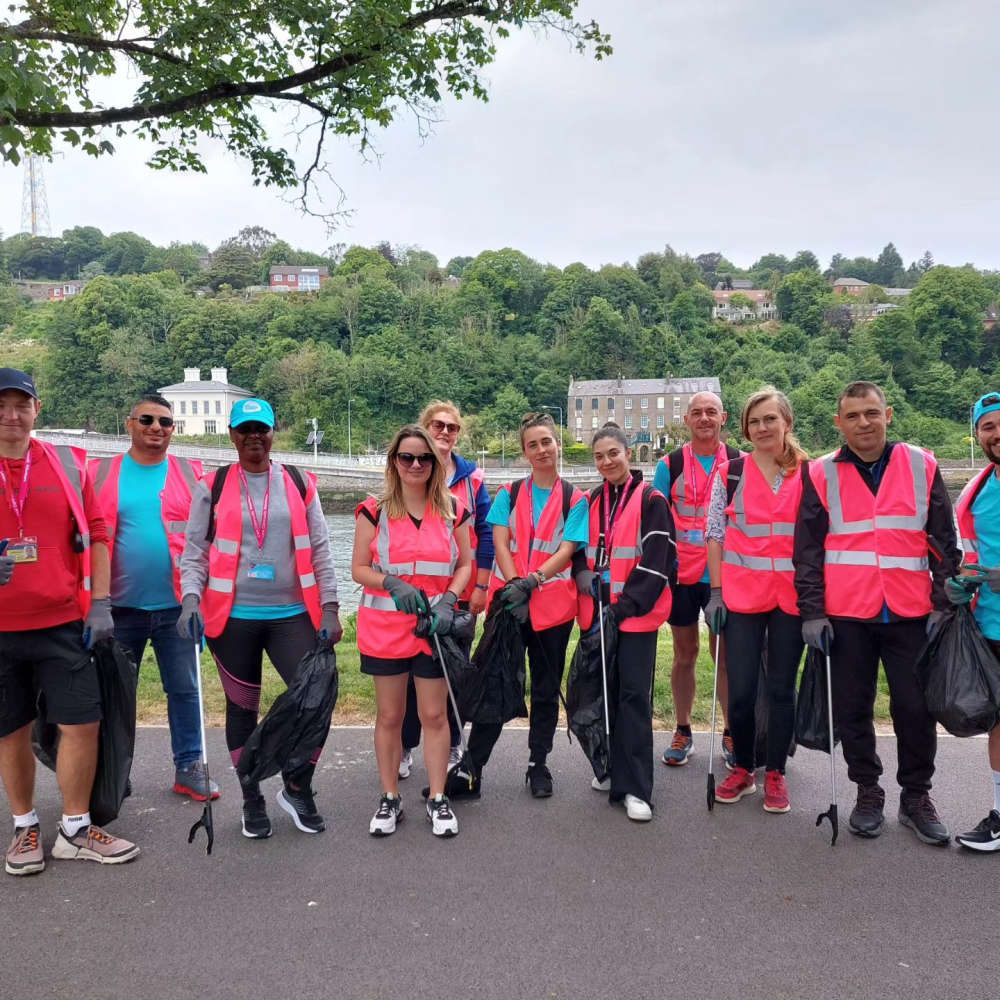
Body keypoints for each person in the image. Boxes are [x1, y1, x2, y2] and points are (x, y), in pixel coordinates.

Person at [794, 380, 960, 845]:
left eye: (871, 413)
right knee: (853, 708)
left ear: (887, 415)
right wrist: (812, 611)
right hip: (847, 614)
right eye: (853, 416)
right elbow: (807, 551)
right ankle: (868, 790)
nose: (863, 423)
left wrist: (944, 603)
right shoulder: (820, 473)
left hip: (911, 611)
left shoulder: (921, 464)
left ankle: (915, 796)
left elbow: (943, 543)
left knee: (914, 707)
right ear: (838, 422)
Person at [178, 398, 341, 840]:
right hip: (233, 617)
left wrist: (330, 607)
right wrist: (191, 599)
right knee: (242, 708)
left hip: (293, 613)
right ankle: (251, 796)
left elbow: (323, 550)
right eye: (245, 429)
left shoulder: (298, 481)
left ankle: (296, 785)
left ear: (273, 433)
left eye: (262, 429)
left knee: (317, 695)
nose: (254, 437)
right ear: (231, 434)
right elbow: (194, 553)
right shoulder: (212, 484)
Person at [0, 367, 139, 876]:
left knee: (83, 723)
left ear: (37, 410)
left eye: (21, 404)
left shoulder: (65, 463)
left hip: (63, 620)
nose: (12, 415)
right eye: (2, 405)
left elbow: (97, 533)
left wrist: (100, 602)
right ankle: (24, 827)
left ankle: (75, 831)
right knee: (10, 729)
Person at [451, 412, 588, 801]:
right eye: (533, 444)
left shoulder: (575, 499)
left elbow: (566, 550)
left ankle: (538, 764)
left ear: (557, 443)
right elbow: (500, 542)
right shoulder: (509, 494)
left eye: (547, 441)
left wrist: (533, 581)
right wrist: (515, 587)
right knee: (495, 683)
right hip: (510, 608)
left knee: (545, 690)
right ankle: (472, 769)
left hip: (554, 613)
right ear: (525, 451)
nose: (542, 449)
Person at [89, 393, 218, 802]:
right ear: (129, 424)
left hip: (176, 608)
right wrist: (95, 602)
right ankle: (114, 771)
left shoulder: (192, 472)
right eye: (147, 419)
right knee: (115, 694)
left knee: (184, 690)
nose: (156, 428)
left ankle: (189, 767)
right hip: (116, 609)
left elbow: (209, 538)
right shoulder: (100, 472)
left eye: (165, 422)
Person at [352, 424, 472, 837]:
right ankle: (390, 798)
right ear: (394, 462)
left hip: (432, 630)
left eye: (424, 457)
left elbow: (465, 565)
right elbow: (359, 568)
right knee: (389, 716)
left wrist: (450, 600)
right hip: (385, 628)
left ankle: (438, 798)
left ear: (435, 463)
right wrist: (391, 583)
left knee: (434, 715)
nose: (416, 464)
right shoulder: (374, 510)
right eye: (407, 457)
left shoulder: (454, 509)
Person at [706, 388, 808, 813]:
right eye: (754, 421)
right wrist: (715, 592)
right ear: (745, 429)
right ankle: (744, 767)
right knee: (743, 691)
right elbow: (715, 533)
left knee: (782, 690)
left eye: (770, 419)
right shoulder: (730, 473)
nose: (762, 427)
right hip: (742, 597)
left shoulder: (812, 473)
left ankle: (775, 772)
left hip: (792, 599)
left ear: (787, 422)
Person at [580, 424, 675, 821]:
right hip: (600, 613)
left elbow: (658, 562)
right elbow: (576, 549)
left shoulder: (651, 500)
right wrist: (578, 574)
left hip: (634, 617)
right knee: (608, 692)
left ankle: (637, 788)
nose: (606, 462)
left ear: (629, 455)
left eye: (613, 454)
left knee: (634, 698)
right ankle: (613, 769)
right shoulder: (590, 499)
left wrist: (623, 607)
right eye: (599, 456)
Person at [397, 401, 494, 781]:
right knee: (407, 674)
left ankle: (454, 743)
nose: (444, 432)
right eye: (437, 425)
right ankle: (405, 745)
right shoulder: (409, 468)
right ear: (424, 427)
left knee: (455, 670)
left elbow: (484, 534)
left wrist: (482, 585)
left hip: (459, 591)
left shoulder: (472, 479)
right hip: (416, 593)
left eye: (452, 427)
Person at [653, 392, 741, 769]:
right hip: (683, 574)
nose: (704, 418)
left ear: (723, 418)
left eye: (711, 412)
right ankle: (683, 729)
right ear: (686, 420)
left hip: (727, 572)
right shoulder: (669, 464)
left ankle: (732, 732)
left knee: (723, 657)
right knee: (684, 653)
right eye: (697, 413)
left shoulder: (740, 462)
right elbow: (656, 522)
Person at [949, 391, 1000, 851]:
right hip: (988, 626)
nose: (996, 433)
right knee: (998, 724)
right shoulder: (975, 492)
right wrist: (960, 585)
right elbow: (969, 555)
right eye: (988, 427)